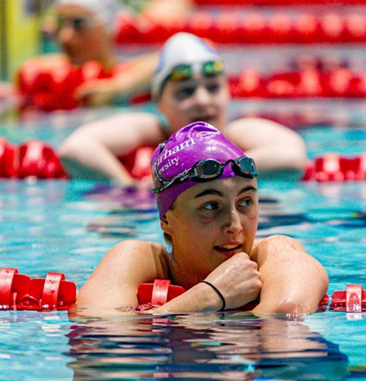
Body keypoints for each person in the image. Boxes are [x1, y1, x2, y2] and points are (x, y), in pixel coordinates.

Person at [75, 122, 326, 315]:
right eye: (210, 206)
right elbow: (96, 338)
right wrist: (211, 296)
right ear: (166, 220)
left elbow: (288, 313)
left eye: (246, 202)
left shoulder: (275, 253)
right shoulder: (137, 259)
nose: (235, 226)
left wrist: (173, 315)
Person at [58, 32, 307, 182]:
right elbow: (75, 149)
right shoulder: (155, 130)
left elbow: (293, 158)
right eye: (185, 91)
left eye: (213, 88)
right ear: (159, 102)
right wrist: (129, 189)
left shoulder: (235, 134)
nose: (202, 100)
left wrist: (201, 172)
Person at [29, 0, 158, 106]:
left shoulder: (130, 74)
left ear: (108, 28)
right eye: (60, 23)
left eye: (79, 24)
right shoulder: (45, 73)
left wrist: (116, 88)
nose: (65, 36)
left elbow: (164, 60)